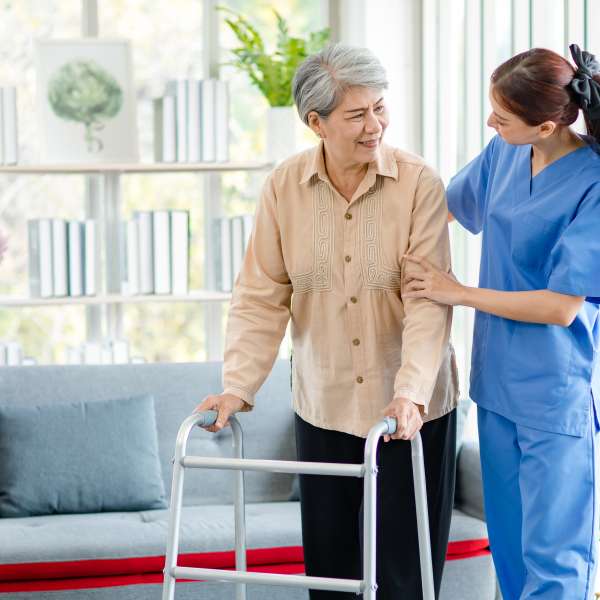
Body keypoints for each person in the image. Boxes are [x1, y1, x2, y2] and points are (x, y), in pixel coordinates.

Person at [195, 43, 458, 599]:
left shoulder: (418, 184)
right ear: (315, 122)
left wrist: (410, 393)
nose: (375, 126)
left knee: (406, 579)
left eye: (380, 108)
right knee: (332, 580)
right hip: (324, 404)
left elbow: (428, 303)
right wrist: (237, 387)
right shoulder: (283, 187)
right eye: (356, 115)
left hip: (409, 414)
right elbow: (261, 295)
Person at [404, 44, 600, 599]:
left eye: (503, 116)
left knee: (555, 560)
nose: (492, 121)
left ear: (543, 126)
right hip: (495, 390)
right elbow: (441, 206)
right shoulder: (504, 153)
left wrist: (458, 292)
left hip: (552, 396)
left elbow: (562, 306)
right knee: (509, 552)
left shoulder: (593, 183)